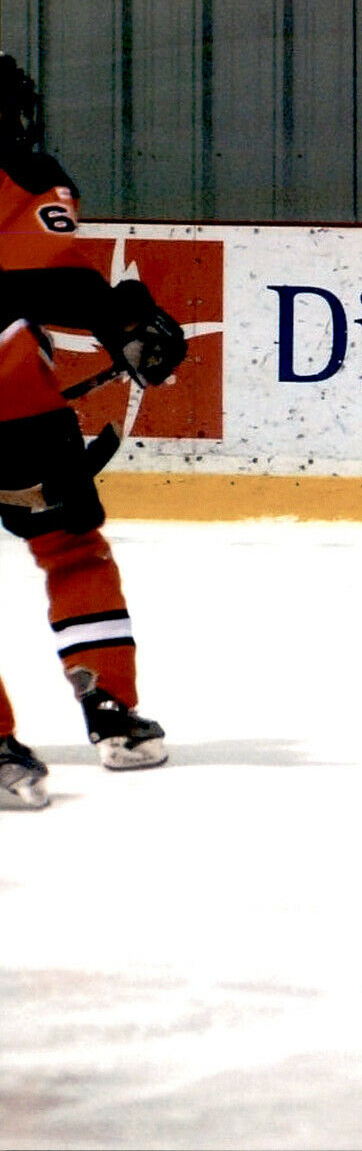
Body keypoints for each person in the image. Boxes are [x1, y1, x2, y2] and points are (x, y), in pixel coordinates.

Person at [0, 52, 187, 808]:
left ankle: (80, 714)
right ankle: (108, 706)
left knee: (71, 543)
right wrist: (120, 318)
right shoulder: (27, 176)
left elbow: (40, 278)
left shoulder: (27, 179)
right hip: (15, 397)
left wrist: (122, 320)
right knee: (72, 551)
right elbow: (46, 279)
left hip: (16, 397)